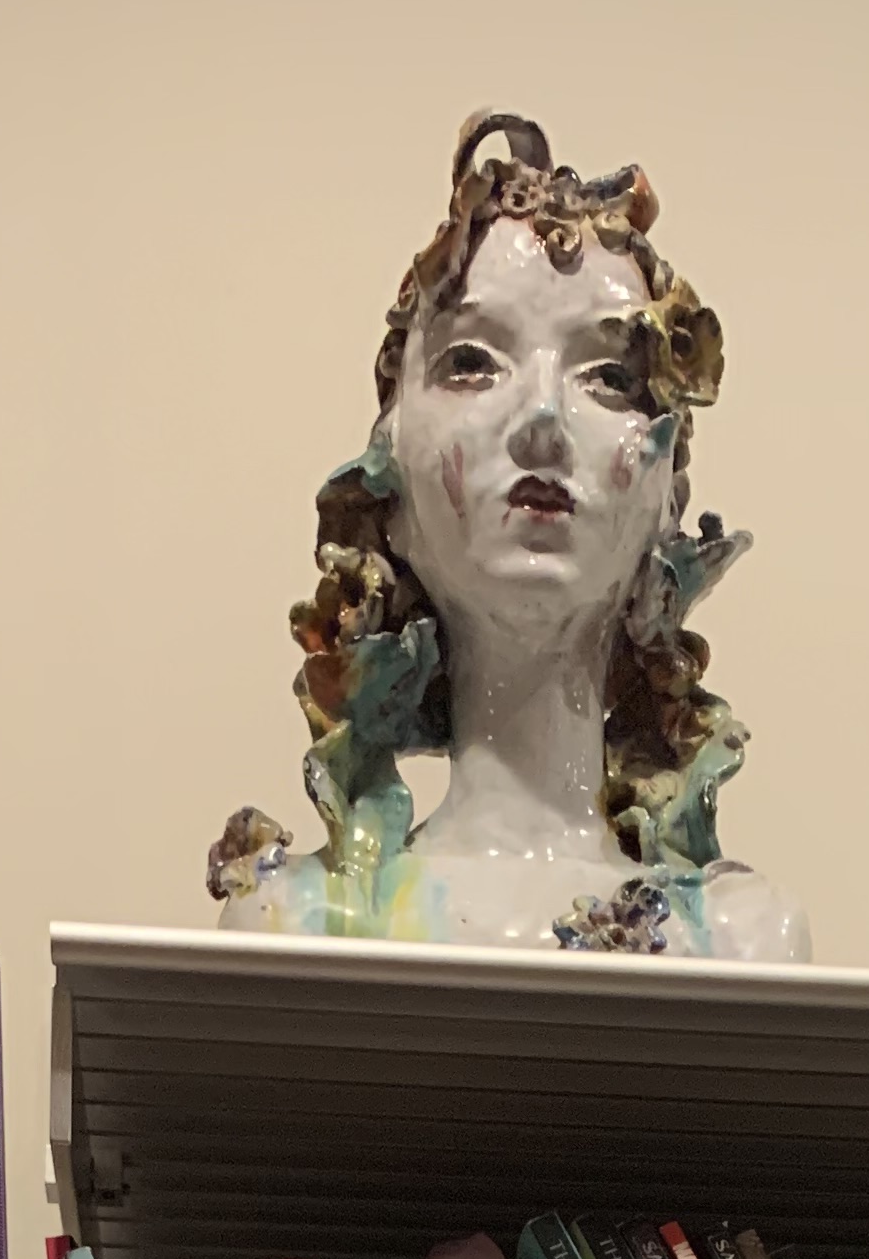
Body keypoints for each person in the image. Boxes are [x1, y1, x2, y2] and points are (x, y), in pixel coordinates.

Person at [210, 115, 810, 958]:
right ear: (386, 481)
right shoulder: (296, 924)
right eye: (471, 362)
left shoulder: (739, 939)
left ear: (670, 497)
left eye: (609, 377)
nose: (542, 419)